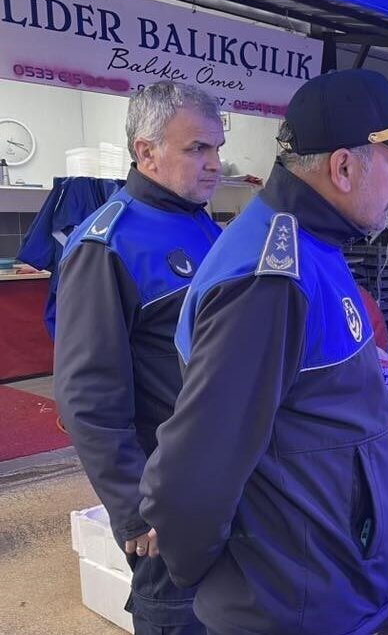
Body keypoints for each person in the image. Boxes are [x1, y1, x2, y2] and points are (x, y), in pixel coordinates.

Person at [139, 69, 388, 635]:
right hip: (294, 606)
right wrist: (222, 579)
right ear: (344, 167)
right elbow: (194, 471)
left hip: (324, 586)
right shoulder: (271, 280)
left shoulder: (312, 241)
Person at [54, 82, 224, 634]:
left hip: (224, 478)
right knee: (178, 615)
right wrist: (133, 506)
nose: (214, 163)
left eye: (217, 148)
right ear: (145, 151)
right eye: (197, 148)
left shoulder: (203, 225)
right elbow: (86, 397)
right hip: (167, 497)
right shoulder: (106, 245)